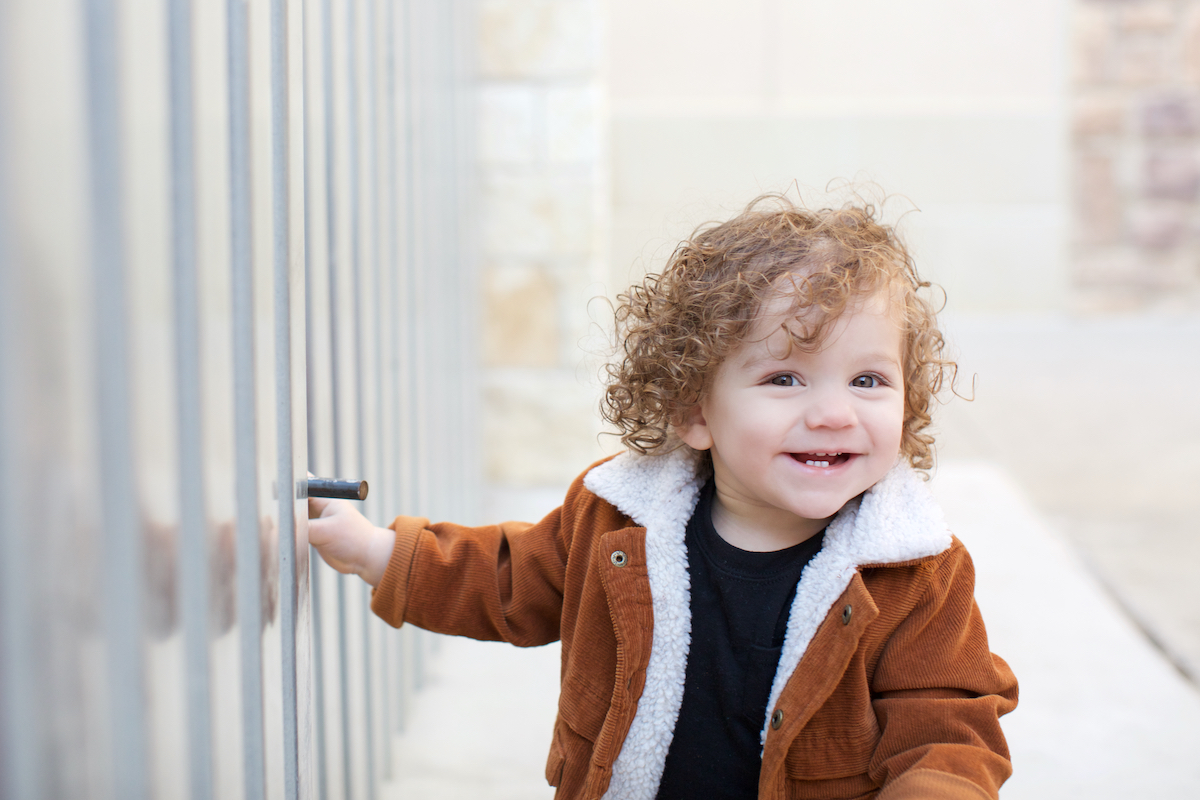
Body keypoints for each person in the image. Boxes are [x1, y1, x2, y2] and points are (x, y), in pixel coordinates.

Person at [308, 194, 1019, 800]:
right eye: (785, 379)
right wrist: (376, 551)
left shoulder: (915, 574)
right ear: (693, 412)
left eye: (868, 381)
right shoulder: (617, 521)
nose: (835, 412)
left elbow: (947, 729)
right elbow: (507, 577)